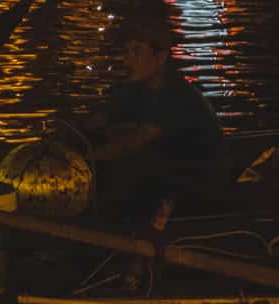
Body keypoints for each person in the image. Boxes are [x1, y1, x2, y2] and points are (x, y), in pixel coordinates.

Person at [88, 24, 222, 232]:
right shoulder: (132, 91)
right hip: (157, 175)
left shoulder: (178, 96)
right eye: (126, 52)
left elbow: (135, 141)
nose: (127, 60)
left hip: (190, 186)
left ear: (160, 58)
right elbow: (101, 120)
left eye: (137, 52)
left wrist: (88, 160)